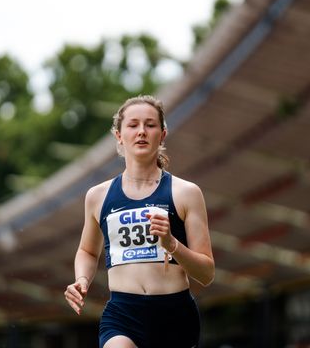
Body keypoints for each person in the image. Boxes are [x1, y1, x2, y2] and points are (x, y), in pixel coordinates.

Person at [64, 95, 215, 348]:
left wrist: (172, 244)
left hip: (175, 315)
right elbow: (88, 251)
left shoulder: (186, 193)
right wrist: (82, 280)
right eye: (133, 125)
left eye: (150, 125)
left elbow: (207, 273)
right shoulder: (97, 196)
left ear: (163, 134)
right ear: (119, 136)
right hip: (123, 314)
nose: (142, 132)